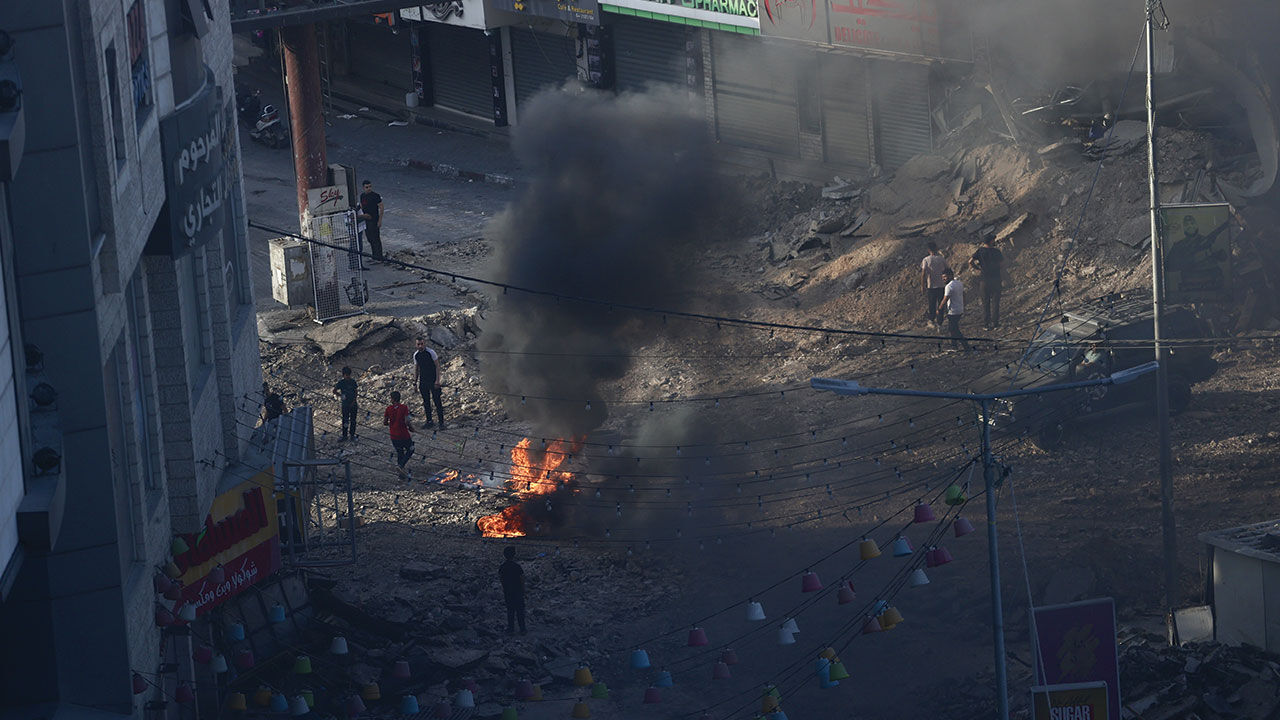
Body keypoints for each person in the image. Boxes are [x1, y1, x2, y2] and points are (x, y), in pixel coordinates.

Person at [968, 234, 1005, 329]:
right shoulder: (996, 252)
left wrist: (978, 268)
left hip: (984, 279)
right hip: (996, 279)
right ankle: (995, 324)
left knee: (985, 302)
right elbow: (1001, 264)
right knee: (996, 302)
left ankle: (986, 324)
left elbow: (970, 261)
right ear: (991, 241)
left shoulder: (980, 251)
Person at [413, 337, 446, 429]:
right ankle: (429, 421)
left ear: (425, 344)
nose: (420, 346)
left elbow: (437, 366)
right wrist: (414, 382)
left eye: (422, 344)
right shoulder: (416, 355)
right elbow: (416, 369)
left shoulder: (431, 352)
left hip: (432, 380)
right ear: (416, 345)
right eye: (418, 344)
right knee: (426, 402)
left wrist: (437, 380)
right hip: (423, 381)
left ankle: (441, 423)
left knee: (437, 402)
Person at [383, 390, 414, 478]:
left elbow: (385, 422)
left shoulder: (388, 409)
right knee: (411, 449)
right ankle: (401, 466)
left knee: (400, 452)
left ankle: (401, 474)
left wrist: (391, 424)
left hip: (394, 435)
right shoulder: (404, 407)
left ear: (392, 399)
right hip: (403, 434)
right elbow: (407, 420)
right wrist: (411, 428)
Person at [938, 269, 971, 351]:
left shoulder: (949, 286)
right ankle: (954, 346)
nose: (944, 279)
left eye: (945, 277)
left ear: (950, 276)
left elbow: (945, 299)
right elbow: (964, 295)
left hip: (953, 311)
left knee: (954, 329)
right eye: (943, 277)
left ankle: (965, 346)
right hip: (959, 309)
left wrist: (939, 309)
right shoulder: (959, 283)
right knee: (952, 328)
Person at [920, 241, 949, 325]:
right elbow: (948, 269)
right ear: (936, 249)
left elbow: (923, 274)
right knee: (941, 305)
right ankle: (940, 322)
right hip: (941, 285)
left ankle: (932, 320)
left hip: (931, 286)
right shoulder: (941, 259)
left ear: (928, 250)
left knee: (931, 305)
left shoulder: (926, 260)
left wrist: (922, 286)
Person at [499, 546, 527, 634]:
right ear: (514, 555)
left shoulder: (502, 567)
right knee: (520, 611)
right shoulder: (517, 567)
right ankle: (522, 629)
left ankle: (510, 629)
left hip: (508, 592)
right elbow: (522, 579)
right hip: (518, 592)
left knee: (510, 611)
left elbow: (501, 579)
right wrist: (523, 590)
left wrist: (504, 588)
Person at [358, 180, 384, 262]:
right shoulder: (362, 196)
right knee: (370, 238)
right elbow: (362, 206)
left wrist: (380, 220)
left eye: (370, 187)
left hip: (374, 219)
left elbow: (381, 207)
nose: (369, 188)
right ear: (363, 187)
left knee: (376, 238)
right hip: (366, 220)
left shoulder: (375, 196)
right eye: (367, 187)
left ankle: (379, 257)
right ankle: (374, 256)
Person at [332, 367, 359, 440]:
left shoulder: (353, 382)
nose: (348, 376)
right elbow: (334, 390)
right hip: (345, 404)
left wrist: (354, 401)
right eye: (346, 375)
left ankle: (352, 435)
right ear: (343, 375)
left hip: (353, 404)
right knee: (345, 420)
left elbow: (356, 392)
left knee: (353, 420)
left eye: (348, 375)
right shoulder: (341, 383)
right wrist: (341, 396)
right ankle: (344, 436)